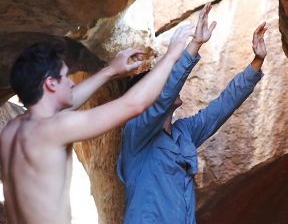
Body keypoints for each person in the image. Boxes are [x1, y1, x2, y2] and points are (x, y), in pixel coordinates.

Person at [0, 26, 185, 223]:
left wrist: (110, 71)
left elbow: (68, 102)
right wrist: (172, 55)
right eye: (65, 77)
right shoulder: (55, 129)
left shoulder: (12, 129)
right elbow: (133, 104)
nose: (71, 83)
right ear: (50, 83)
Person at [117, 4, 268, 223]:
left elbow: (222, 107)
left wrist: (257, 61)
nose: (173, 85)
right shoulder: (137, 135)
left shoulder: (183, 133)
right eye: (167, 81)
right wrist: (194, 44)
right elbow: (165, 95)